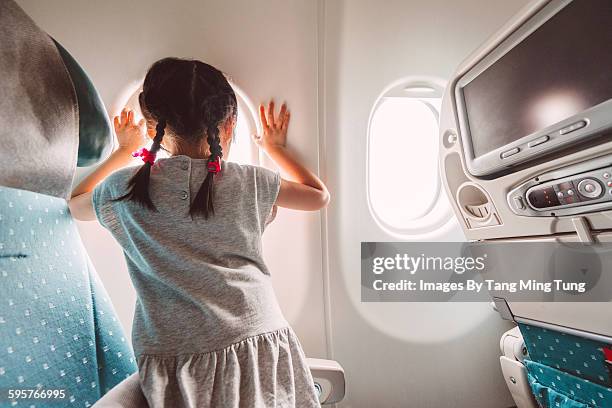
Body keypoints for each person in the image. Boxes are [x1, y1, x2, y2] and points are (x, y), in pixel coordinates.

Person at [69, 57, 329, 407]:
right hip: (257, 334)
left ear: (150, 126)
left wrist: (123, 152)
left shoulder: (124, 188)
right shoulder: (249, 180)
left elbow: (76, 204)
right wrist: (275, 149)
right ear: (229, 124)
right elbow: (318, 197)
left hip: (175, 353)